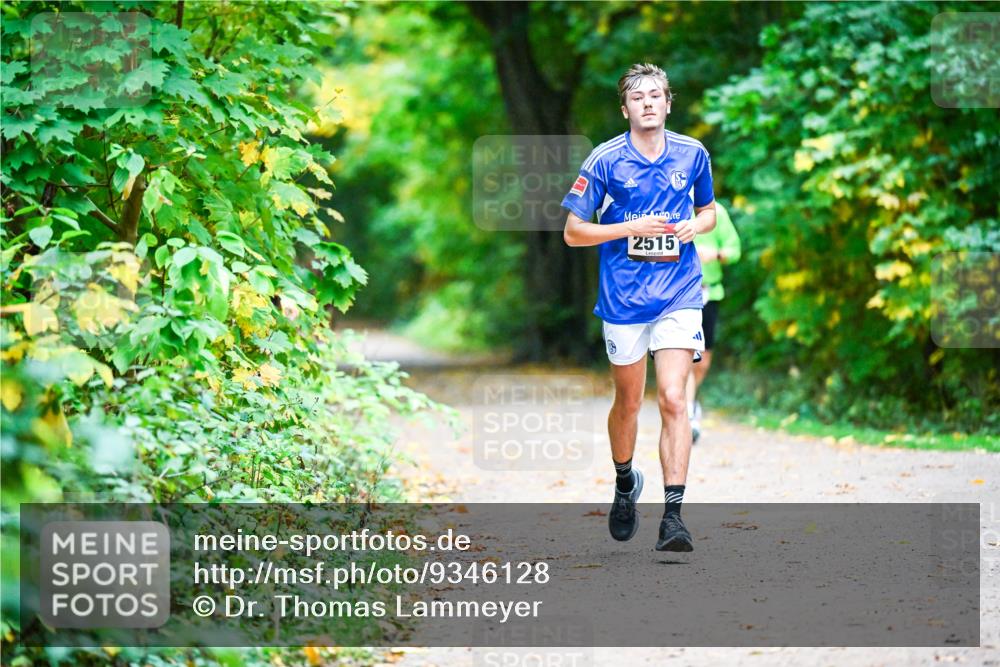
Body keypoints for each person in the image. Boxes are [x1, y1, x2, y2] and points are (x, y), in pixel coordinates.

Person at [562, 63, 716, 552]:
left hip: (680, 292)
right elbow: (573, 232)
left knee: (674, 397)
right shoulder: (605, 160)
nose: (648, 102)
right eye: (638, 96)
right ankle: (625, 481)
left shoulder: (693, 154)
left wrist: (698, 225)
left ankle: (673, 517)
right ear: (625, 108)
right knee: (629, 402)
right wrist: (628, 228)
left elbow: (709, 209)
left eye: (656, 95)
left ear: (669, 104)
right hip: (624, 300)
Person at [687, 200, 741, 443]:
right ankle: (687, 413)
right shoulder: (670, 207)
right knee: (686, 355)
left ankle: (690, 401)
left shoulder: (717, 212)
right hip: (680, 295)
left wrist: (716, 254)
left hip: (710, 293)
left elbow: (735, 250)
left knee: (703, 361)